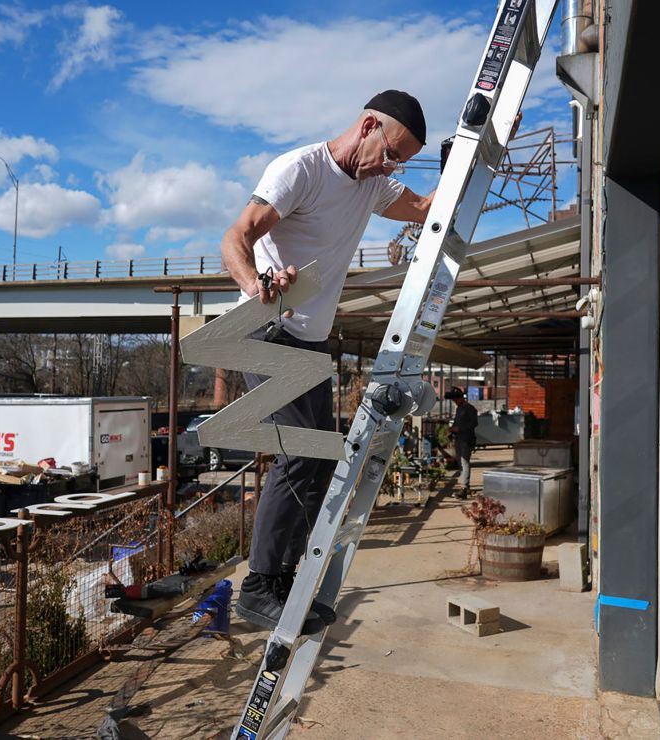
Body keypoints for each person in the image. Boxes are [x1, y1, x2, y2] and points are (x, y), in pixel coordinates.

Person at [220, 90, 433, 633]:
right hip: (266, 329)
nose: (391, 168)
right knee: (297, 455)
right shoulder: (301, 170)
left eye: (400, 162)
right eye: (390, 154)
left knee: (319, 461)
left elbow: (428, 209)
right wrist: (257, 283)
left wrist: (480, 152)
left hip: (310, 342)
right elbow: (237, 236)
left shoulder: (374, 185)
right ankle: (258, 585)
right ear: (367, 127)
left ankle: (285, 577)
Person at [446, 387, 478, 497]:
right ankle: (466, 486)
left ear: (460, 398)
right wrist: (452, 429)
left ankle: (464, 487)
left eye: (456, 399)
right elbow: (456, 422)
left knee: (464, 462)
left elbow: (474, 423)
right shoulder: (459, 409)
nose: (454, 402)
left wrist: (459, 428)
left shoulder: (470, 409)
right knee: (460, 462)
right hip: (459, 438)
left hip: (466, 439)